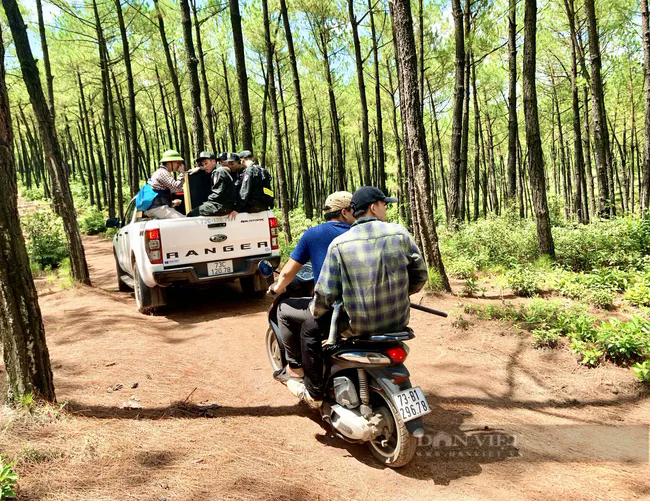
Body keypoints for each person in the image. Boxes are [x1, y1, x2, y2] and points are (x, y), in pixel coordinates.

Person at [287, 186, 428, 408]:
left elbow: (325, 293)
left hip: (357, 327)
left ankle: (314, 392)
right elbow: (420, 275)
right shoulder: (400, 233)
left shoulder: (339, 244)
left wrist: (316, 311)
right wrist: (399, 292)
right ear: (373, 207)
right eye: (384, 205)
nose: (385, 209)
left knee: (308, 328)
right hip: (398, 322)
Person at [268, 192, 355, 383]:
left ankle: (295, 368)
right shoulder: (360, 234)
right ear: (345, 212)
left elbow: (287, 273)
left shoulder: (314, 234)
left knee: (283, 310)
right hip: (364, 309)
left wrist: (277, 288)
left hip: (334, 312)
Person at [137, 150, 197, 219]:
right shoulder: (162, 172)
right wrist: (182, 173)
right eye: (177, 162)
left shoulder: (161, 172)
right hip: (158, 209)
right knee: (184, 220)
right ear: (169, 163)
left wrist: (172, 203)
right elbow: (176, 187)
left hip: (157, 208)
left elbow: (160, 193)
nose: (179, 165)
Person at [187, 152, 241, 218]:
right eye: (202, 164)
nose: (204, 166)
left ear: (214, 162)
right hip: (224, 205)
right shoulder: (219, 170)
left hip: (220, 206)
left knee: (191, 214)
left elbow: (217, 194)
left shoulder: (218, 172)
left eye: (206, 163)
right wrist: (200, 169)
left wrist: (207, 202)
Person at [233, 150, 275, 214]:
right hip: (263, 206)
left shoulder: (248, 171)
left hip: (251, 206)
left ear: (242, 160)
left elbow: (245, 191)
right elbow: (268, 190)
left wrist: (237, 208)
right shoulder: (262, 170)